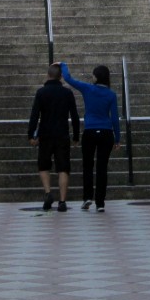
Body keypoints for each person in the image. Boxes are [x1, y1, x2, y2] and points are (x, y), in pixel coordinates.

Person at [60, 61, 121, 213]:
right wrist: (117, 138)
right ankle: (100, 202)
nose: (91, 77)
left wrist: (63, 64)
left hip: (90, 131)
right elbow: (114, 118)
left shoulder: (87, 89)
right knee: (102, 168)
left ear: (96, 77)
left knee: (88, 165)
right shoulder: (111, 95)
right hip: (106, 133)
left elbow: (68, 78)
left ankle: (87, 197)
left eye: (93, 75)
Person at [27, 62, 80, 212]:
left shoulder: (41, 93)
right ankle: (62, 201)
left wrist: (31, 134)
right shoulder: (67, 93)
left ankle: (48, 192)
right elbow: (75, 117)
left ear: (48, 75)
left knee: (43, 165)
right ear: (61, 77)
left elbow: (34, 115)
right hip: (62, 134)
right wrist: (76, 135)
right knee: (63, 167)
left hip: (45, 134)